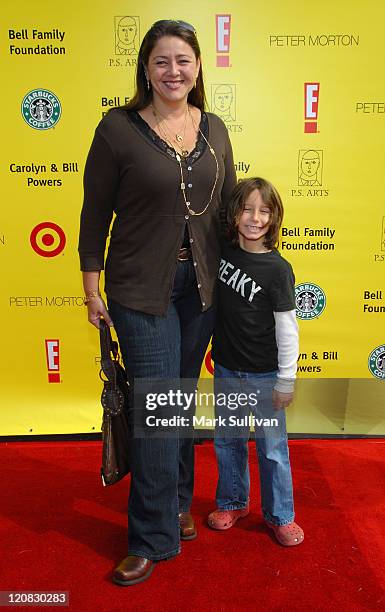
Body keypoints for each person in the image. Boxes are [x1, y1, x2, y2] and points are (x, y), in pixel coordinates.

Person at [78, 19, 236, 585]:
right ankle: (150, 536)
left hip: (203, 291)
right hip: (140, 289)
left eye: (184, 61)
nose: (174, 71)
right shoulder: (117, 129)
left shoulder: (214, 129)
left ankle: (175, 504)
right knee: (157, 407)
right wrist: (91, 284)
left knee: (180, 400)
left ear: (198, 68)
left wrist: (245, 281)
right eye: (162, 61)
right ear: (145, 68)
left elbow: (227, 210)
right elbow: (95, 210)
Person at [208, 177, 304, 547]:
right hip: (228, 370)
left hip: (266, 376)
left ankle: (281, 516)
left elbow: (287, 328)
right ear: (234, 214)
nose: (254, 217)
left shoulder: (279, 270)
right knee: (228, 441)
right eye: (247, 209)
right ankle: (233, 502)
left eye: (263, 211)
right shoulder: (225, 254)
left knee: (272, 448)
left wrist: (285, 380)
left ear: (274, 218)